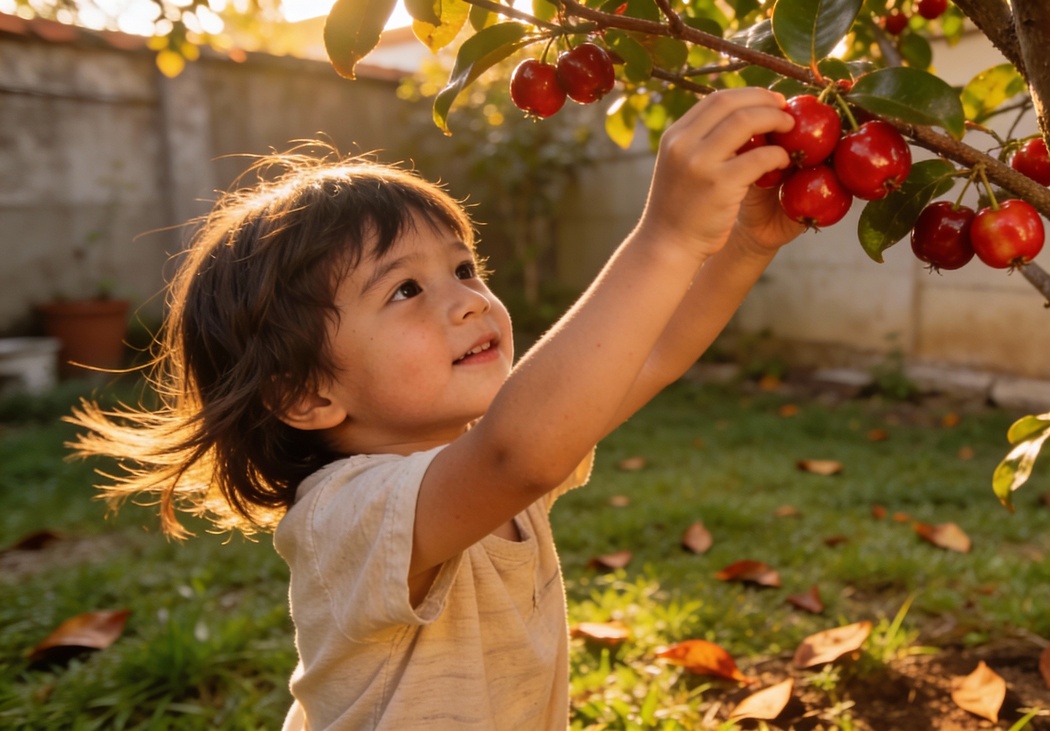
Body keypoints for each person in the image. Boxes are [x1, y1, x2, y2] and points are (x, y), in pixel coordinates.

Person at [70, 86, 803, 729]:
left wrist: (743, 243)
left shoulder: (480, 460)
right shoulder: (347, 513)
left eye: (463, 267)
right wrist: (666, 238)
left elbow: (646, 356)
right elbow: (518, 453)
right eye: (405, 291)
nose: (467, 301)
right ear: (306, 393)